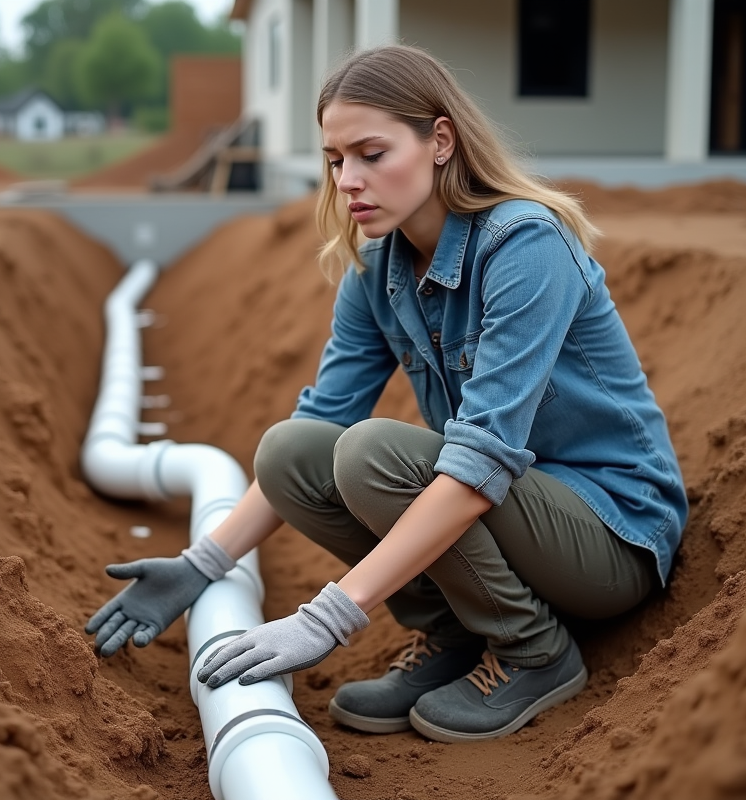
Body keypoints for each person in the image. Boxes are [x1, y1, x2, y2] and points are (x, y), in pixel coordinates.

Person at [86, 45, 687, 743]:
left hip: (609, 536)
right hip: (515, 523)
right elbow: (318, 423)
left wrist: (328, 618)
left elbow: (480, 463)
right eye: (336, 159)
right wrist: (199, 567)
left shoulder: (526, 245)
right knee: (292, 452)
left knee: (376, 454)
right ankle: (456, 635)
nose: (348, 180)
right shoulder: (378, 269)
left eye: (372, 153)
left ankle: (533, 652)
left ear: (440, 140)